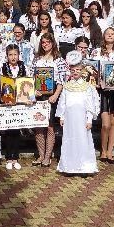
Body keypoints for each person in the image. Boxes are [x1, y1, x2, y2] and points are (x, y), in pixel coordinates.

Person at [56, 51, 100, 176]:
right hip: (70, 119)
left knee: (83, 140)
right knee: (69, 140)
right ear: (70, 70)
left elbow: (90, 105)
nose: (75, 72)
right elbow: (63, 102)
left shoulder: (87, 87)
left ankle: (84, 166)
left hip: (82, 119)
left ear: (82, 71)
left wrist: (89, 119)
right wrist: (62, 116)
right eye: (73, 70)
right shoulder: (66, 86)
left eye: (78, 70)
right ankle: (70, 167)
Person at [31, 32, 69, 167]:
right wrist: (33, 90)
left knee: (50, 126)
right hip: (38, 95)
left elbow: (62, 80)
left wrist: (55, 95)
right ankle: (41, 155)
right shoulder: (36, 59)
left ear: (53, 43)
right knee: (38, 126)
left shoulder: (59, 60)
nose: (45, 44)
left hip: (52, 95)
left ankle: (48, 156)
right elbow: (31, 77)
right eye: (43, 42)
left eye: (48, 42)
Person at [90, 27, 114, 163]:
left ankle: (110, 151)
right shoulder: (96, 52)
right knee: (105, 124)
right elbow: (91, 70)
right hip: (102, 91)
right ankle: (103, 149)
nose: (110, 36)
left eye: (112, 34)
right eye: (107, 34)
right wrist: (97, 81)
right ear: (103, 36)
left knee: (113, 122)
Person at [0, 44, 31, 170]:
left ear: (19, 55)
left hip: (20, 102)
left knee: (16, 130)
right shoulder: (2, 67)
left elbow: (28, 83)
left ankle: (15, 157)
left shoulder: (23, 67)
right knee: (7, 130)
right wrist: (2, 98)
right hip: (7, 102)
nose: (13, 57)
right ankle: (8, 157)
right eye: (10, 55)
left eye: (15, 54)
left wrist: (27, 98)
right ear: (7, 56)